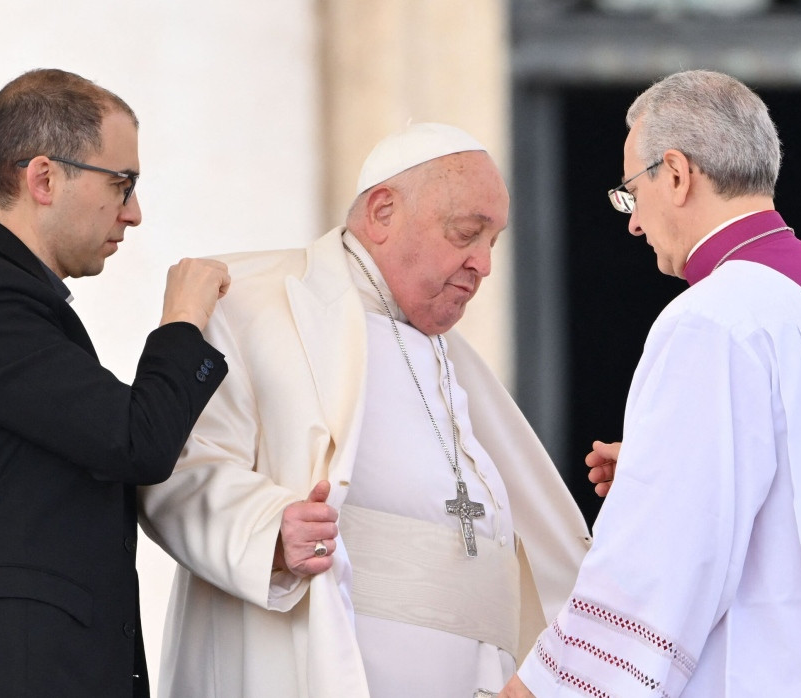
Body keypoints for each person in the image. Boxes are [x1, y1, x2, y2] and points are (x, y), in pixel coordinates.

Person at [502, 70, 801, 697]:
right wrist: (664, 463)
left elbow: (659, 570)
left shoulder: (712, 321)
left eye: (632, 191)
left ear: (678, 174)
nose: (633, 223)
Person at [138, 123, 591, 697]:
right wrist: (269, 528)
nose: (484, 264)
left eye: (493, 242)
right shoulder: (248, 300)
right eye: (466, 233)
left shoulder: (460, 365)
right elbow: (172, 468)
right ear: (382, 212)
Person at [0, 68, 231, 698]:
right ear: (43, 179)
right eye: (122, 183)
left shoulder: (10, 297)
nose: (135, 213)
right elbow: (135, 441)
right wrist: (183, 325)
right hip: (4, 671)